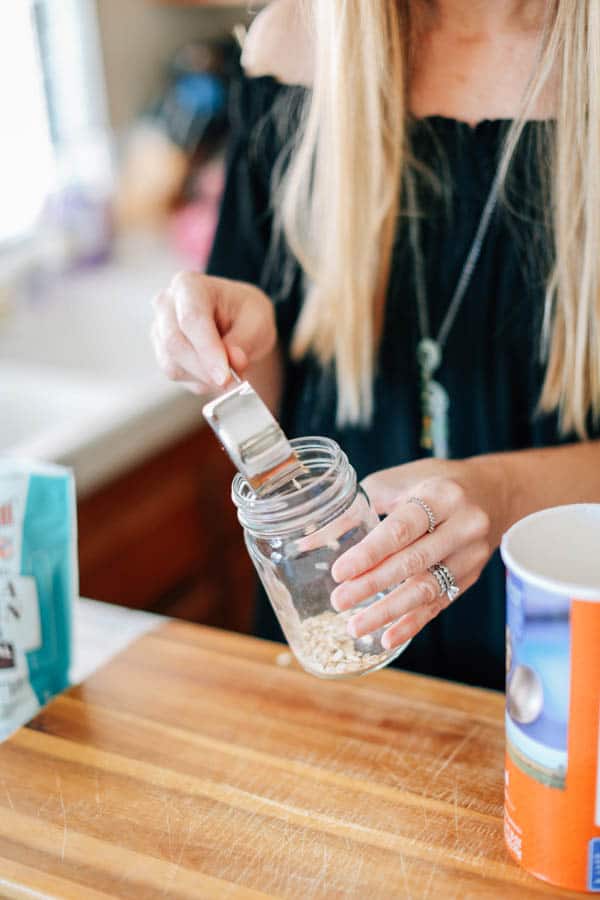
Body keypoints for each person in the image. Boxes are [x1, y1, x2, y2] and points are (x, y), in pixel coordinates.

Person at [151, 0, 600, 690]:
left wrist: (506, 491)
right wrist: (235, 353)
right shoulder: (295, 48)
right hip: (345, 654)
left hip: (562, 660)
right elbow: (272, 409)